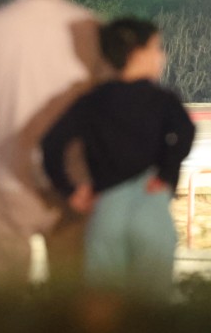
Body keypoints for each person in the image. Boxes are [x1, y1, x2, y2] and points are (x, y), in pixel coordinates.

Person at [0, 0, 104, 290]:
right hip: (72, 180)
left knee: (5, 302)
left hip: (11, 178)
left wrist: (8, 108)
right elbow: (103, 107)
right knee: (69, 297)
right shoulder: (89, 26)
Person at [41, 17, 194, 299]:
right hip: (151, 203)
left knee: (104, 306)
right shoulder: (162, 98)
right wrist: (166, 174)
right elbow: (185, 133)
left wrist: (71, 190)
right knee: (154, 303)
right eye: (156, 48)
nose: (162, 55)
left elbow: (52, 146)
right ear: (137, 53)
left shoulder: (91, 100)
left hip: (106, 208)